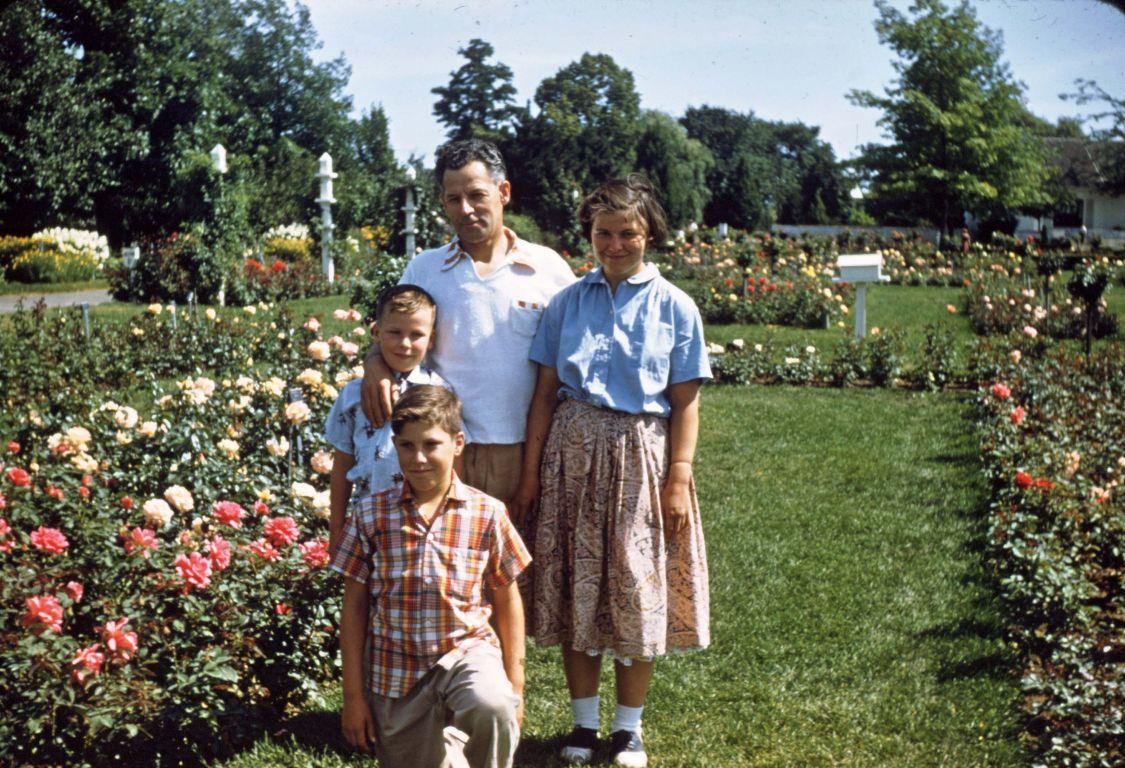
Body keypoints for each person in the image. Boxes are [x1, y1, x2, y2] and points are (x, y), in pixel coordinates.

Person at [510, 175, 711, 767]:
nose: (615, 244)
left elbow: (686, 401)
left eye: (628, 232)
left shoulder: (675, 305)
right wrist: (529, 475)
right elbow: (544, 393)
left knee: (633, 583)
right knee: (578, 586)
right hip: (571, 456)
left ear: (650, 233)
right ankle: (582, 724)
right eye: (603, 233)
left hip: (639, 458)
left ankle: (628, 729)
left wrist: (678, 475)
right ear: (589, 235)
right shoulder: (568, 301)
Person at [361, 138, 575, 503]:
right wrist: (375, 363)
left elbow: (575, 357)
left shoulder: (548, 269)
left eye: (476, 195)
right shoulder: (425, 269)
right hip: (443, 449)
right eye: (452, 199)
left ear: (503, 191)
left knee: (523, 556)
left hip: (525, 448)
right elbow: (395, 334)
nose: (466, 209)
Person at [332, 385, 531, 768]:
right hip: (396, 668)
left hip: (466, 652)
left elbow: (508, 599)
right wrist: (354, 699)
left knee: (493, 704)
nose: (419, 458)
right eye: (407, 446)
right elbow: (354, 607)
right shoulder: (371, 514)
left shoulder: (487, 512)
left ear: (457, 443)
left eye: (431, 445)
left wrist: (514, 687)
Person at [323, 284, 453, 557]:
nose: (404, 344)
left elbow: (453, 463)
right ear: (376, 332)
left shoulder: (440, 393)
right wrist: (336, 529)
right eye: (395, 332)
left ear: (432, 339)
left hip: (422, 523)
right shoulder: (353, 395)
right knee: (360, 595)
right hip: (365, 519)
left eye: (416, 335)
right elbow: (342, 464)